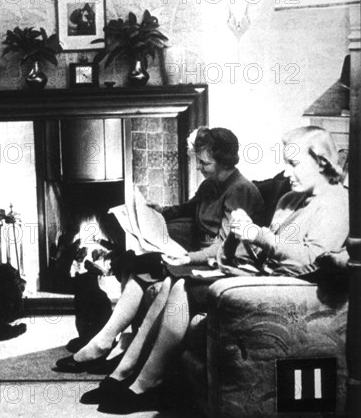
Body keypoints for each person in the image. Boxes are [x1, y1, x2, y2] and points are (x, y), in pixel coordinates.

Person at [86, 125, 350, 414]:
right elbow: (268, 248)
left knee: (183, 286)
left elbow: (309, 259)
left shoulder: (336, 203)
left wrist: (256, 235)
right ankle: (124, 373)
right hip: (258, 273)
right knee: (171, 283)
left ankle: (146, 383)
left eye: (294, 163)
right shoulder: (289, 199)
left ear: (322, 162)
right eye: (285, 163)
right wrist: (245, 240)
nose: (286, 173)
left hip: (284, 285)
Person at [54, 126, 263, 372]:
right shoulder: (211, 185)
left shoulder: (240, 190)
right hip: (199, 254)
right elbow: (188, 208)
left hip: (220, 261)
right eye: (198, 161)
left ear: (223, 160)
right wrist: (160, 210)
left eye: (204, 162)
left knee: (149, 265)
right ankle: (111, 343)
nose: (199, 167)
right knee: (137, 262)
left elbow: (223, 246)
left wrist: (187, 257)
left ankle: (104, 345)